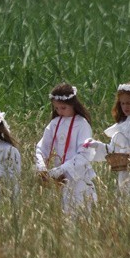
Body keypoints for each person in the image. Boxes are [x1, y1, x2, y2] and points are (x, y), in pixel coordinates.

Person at [34, 83, 97, 215]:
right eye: (56, 108)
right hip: (61, 179)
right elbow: (42, 147)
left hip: (78, 176)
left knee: (81, 213)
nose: (60, 111)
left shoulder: (82, 124)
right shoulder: (55, 123)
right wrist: (41, 166)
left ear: (73, 104)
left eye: (63, 107)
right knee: (65, 214)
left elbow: (84, 154)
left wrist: (62, 169)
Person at [83, 82, 130, 197]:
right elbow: (112, 150)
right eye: (123, 103)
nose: (125, 106)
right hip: (124, 173)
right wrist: (96, 145)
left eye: (129, 103)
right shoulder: (121, 125)